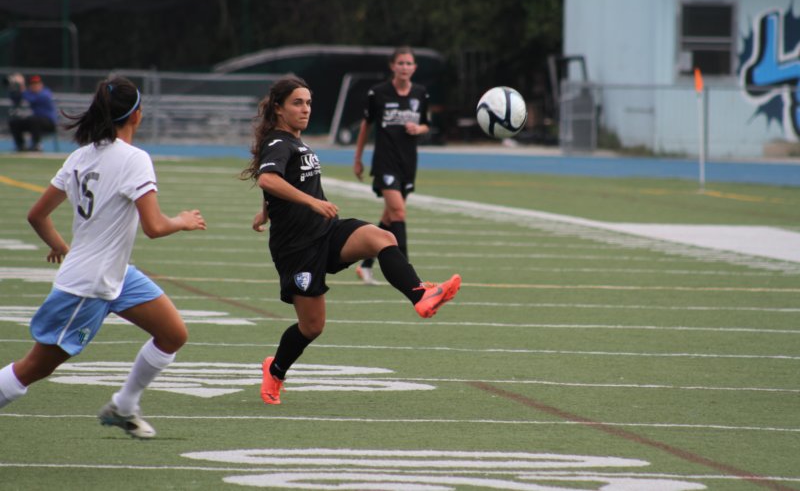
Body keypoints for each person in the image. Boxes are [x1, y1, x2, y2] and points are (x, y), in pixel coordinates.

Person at [0, 76, 206, 439]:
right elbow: (155, 227)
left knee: (173, 334)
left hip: (115, 275)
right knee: (32, 368)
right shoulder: (135, 159)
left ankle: (123, 406)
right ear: (136, 114)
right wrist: (183, 221)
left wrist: (63, 248)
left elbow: (37, 215)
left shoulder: (81, 156)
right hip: (89, 285)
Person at [242, 76, 460, 405]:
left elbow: (280, 181)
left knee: (381, 237)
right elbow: (268, 179)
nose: (305, 109)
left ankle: (420, 295)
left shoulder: (296, 142)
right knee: (312, 327)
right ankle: (275, 370)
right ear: (278, 108)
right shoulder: (278, 142)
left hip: (325, 231)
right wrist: (312, 202)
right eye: (297, 103)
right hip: (297, 248)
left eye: (308, 103)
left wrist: (265, 213)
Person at [352, 46, 429, 285]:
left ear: (415, 67)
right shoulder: (378, 93)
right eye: (401, 63)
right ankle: (409, 277)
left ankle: (365, 265)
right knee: (399, 212)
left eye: (409, 63)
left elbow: (426, 124)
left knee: (388, 218)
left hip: (408, 163)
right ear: (392, 66)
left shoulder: (420, 93)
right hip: (385, 162)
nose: (405, 67)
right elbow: (366, 126)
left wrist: (418, 129)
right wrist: (358, 158)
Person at [7, 73, 58, 152]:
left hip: (49, 122)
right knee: (14, 122)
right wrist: (13, 87)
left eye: (37, 84)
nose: (35, 86)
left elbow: (33, 99)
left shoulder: (46, 92)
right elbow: (15, 100)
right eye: (33, 84)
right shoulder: (29, 93)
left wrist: (22, 86)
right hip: (34, 122)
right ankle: (20, 146)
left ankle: (36, 145)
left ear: (41, 84)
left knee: (34, 120)